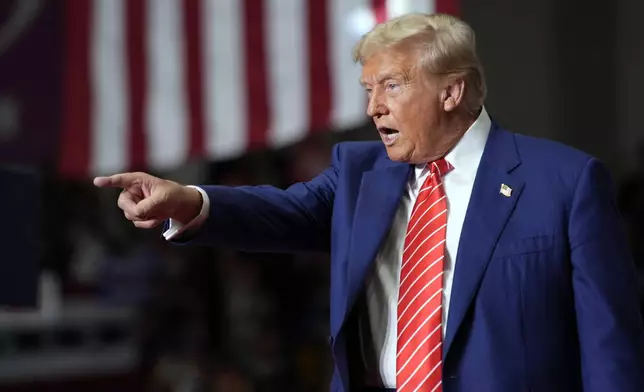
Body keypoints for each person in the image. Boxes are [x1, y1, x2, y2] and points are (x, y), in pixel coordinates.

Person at [94, 13, 644, 392]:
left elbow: (609, 342)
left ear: (450, 92)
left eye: (392, 86)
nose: (374, 107)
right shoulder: (361, 174)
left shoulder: (565, 182)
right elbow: (281, 213)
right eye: (368, 90)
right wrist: (188, 200)